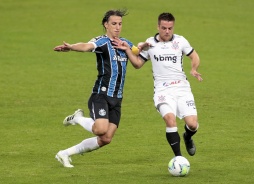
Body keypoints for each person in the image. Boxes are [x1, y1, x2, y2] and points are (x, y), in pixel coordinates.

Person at [53, 9, 140, 168]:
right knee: (100, 129)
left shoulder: (125, 43)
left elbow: (138, 55)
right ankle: (78, 118)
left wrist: (142, 46)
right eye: (114, 24)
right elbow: (87, 46)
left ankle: (64, 153)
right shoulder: (102, 42)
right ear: (106, 25)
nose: (117, 27)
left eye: (120, 24)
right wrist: (72, 47)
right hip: (101, 95)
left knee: (106, 139)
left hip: (117, 98)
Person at [115, 12, 202, 157]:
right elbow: (137, 64)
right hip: (163, 91)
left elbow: (194, 55)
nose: (167, 31)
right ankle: (178, 158)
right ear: (158, 26)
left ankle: (187, 136)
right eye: (164, 28)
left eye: (170, 28)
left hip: (182, 88)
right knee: (170, 119)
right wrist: (128, 51)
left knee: (192, 124)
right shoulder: (150, 43)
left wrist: (194, 68)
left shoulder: (181, 41)